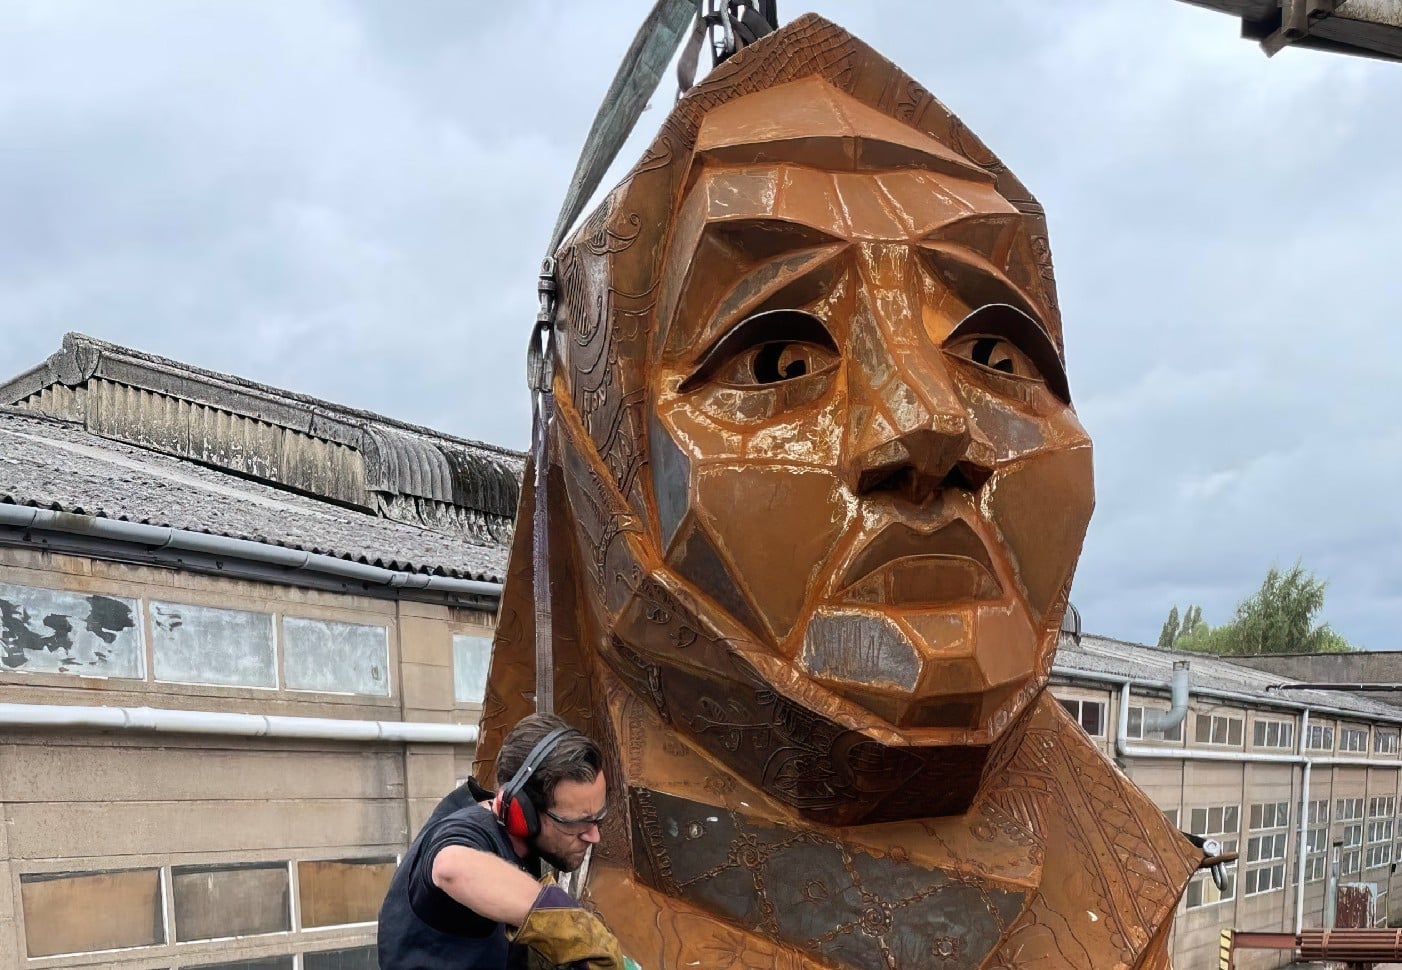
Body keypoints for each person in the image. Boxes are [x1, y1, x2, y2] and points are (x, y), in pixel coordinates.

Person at [470, 13, 1204, 969]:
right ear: (598, 462)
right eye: (778, 357)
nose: (931, 424)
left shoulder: (1121, 878)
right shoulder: (572, 909)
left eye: (992, 351)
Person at [378, 713, 632, 970]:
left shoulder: (518, 844)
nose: (594, 836)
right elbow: (451, 866)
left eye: (598, 818)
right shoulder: (467, 831)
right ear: (523, 812)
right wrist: (580, 931)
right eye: (576, 823)